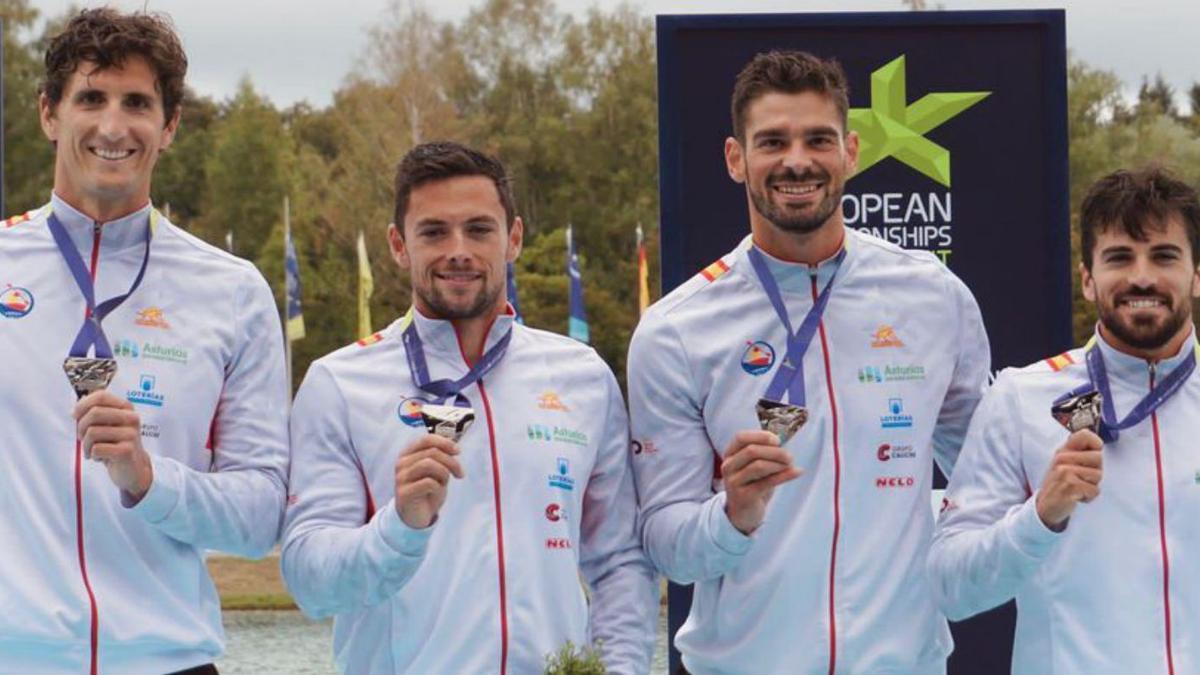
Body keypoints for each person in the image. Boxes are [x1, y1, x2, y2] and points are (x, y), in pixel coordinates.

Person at [627, 50, 991, 674]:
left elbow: (988, 476)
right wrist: (732, 515)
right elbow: (666, 547)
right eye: (772, 141)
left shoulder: (934, 296)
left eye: (817, 138)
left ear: (850, 151)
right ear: (736, 159)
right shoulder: (676, 330)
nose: (797, 160)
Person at [281, 141, 657, 674]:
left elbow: (619, 563)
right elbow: (310, 584)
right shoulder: (339, 383)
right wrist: (400, 527)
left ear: (514, 239)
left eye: (479, 229)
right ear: (398, 244)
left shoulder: (583, 378)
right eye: (434, 231)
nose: (459, 250)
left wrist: (620, 670)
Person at [0, 8, 289, 674]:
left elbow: (260, 516)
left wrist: (149, 479)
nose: (112, 125)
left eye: (137, 102)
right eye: (91, 98)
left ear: (170, 126)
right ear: (50, 114)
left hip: (169, 660)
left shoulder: (234, 291)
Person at [929, 166, 1200, 673]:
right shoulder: (1021, 399)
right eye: (1119, 257)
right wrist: (1039, 517)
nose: (1142, 276)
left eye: (1164, 256)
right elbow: (950, 587)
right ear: (1088, 279)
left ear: (1197, 273)